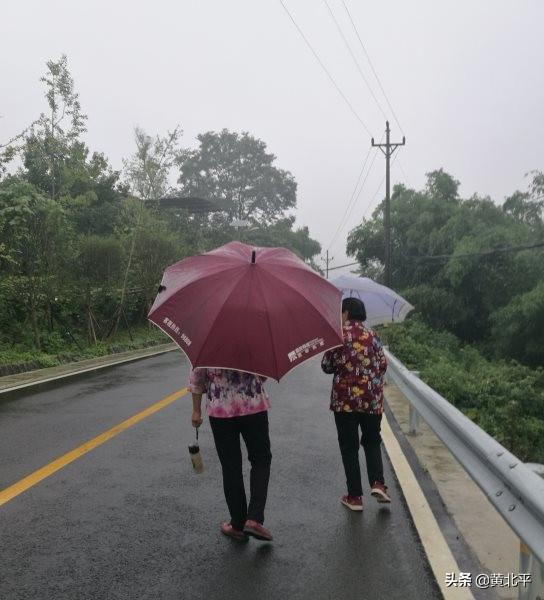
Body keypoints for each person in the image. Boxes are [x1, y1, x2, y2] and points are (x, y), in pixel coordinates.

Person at [321, 297, 391, 511]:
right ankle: (378, 483)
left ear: (346, 313)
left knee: (349, 447)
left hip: (345, 402)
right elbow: (382, 365)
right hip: (371, 400)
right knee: (371, 440)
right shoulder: (373, 335)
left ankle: (355, 497)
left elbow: (326, 365)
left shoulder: (338, 335)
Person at [189, 368, 273, 541]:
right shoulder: (255, 341)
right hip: (253, 406)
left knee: (231, 466)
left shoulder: (208, 342)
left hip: (221, 410)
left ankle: (238, 524)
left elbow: (197, 380)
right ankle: (254, 518)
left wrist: (196, 410)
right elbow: (263, 375)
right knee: (260, 459)